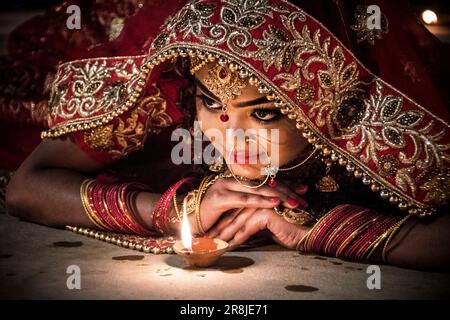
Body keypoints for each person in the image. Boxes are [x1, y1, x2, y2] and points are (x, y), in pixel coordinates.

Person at [4, 0, 450, 271]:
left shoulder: (375, 118)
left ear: (324, 99)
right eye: (212, 104)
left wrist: (316, 229)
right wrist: (175, 212)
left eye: (267, 111)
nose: (232, 136)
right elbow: (28, 185)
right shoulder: (161, 91)